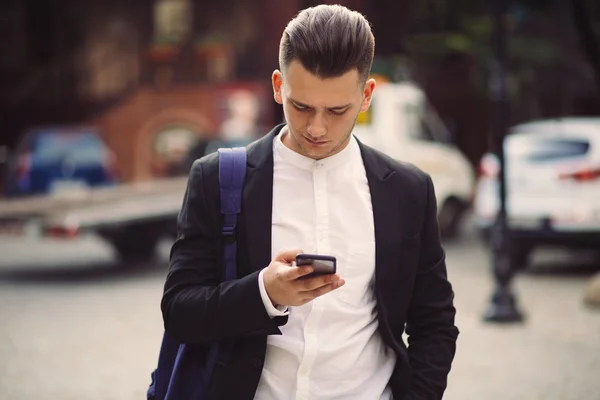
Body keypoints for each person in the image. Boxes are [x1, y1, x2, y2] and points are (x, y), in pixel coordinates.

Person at [162, 4, 458, 399]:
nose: (317, 127)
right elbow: (180, 311)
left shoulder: (408, 189)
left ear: (366, 94)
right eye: (301, 106)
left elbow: (434, 321)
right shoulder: (215, 178)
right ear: (277, 85)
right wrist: (263, 293)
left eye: (337, 110)